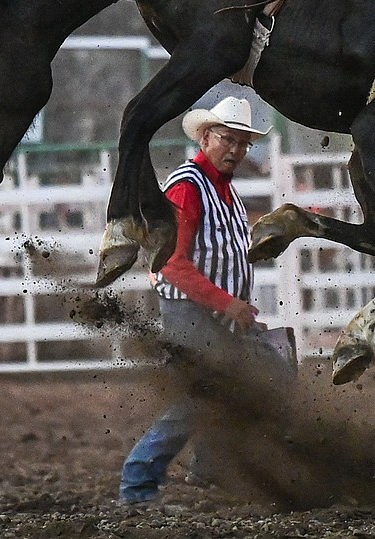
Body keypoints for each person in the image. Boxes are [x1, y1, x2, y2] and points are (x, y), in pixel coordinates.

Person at [118, 95, 290, 506]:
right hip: (189, 309)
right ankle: (138, 479)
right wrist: (227, 303)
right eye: (228, 140)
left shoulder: (225, 192)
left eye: (243, 143)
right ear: (206, 137)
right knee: (203, 392)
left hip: (217, 312)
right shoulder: (187, 187)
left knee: (271, 373)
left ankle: (209, 467)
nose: (236, 150)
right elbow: (172, 263)